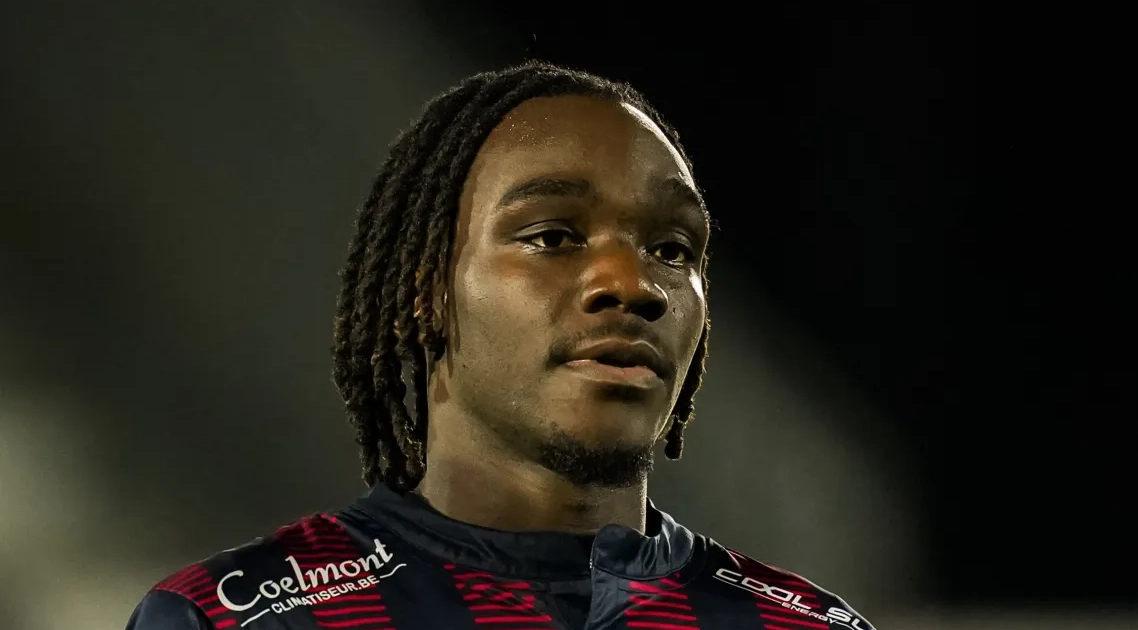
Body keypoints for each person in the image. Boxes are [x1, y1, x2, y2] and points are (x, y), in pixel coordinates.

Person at [125, 61, 876, 630]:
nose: (634, 284)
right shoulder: (234, 620)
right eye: (552, 237)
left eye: (673, 250)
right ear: (425, 289)